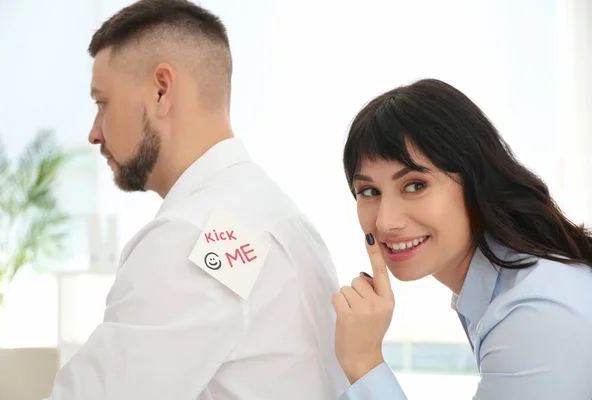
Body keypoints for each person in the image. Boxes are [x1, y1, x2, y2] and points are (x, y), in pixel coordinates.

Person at [49, 0, 348, 398]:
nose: (94, 132)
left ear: (161, 90)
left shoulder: (188, 237)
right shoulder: (280, 218)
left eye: (102, 103)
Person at [332, 78, 592, 399]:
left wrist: (364, 361)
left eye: (414, 185)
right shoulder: (504, 291)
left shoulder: (535, 314)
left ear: (475, 181)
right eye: (369, 191)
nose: (386, 221)